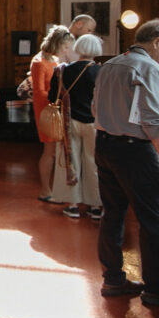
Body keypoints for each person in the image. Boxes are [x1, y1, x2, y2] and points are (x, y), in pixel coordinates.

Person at [93, 18, 159, 307]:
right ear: (156, 42)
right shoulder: (149, 67)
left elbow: (95, 106)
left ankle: (113, 278)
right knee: (152, 219)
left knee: (113, 213)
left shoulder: (109, 64)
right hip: (134, 151)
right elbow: (153, 119)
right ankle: (155, 289)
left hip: (105, 145)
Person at [48, 33, 103, 219]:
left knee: (70, 163)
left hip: (68, 122)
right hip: (95, 123)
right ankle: (95, 206)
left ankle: (72, 204)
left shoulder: (62, 71)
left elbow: (52, 97)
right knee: (94, 163)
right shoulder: (100, 72)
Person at [32, 26, 75, 202]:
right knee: (49, 151)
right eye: (65, 47)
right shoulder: (39, 62)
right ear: (57, 44)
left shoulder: (54, 60)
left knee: (56, 150)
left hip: (55, 107)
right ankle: (45, 189)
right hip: (46, 110)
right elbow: (38, 91)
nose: (66, 51)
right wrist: (57, 98)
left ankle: (56, 189)